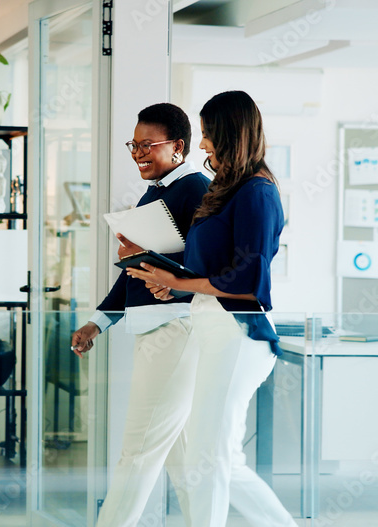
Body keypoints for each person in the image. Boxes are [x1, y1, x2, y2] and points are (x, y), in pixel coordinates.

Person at [126, 90, 297, 527]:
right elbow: (208, 269)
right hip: (214, 330)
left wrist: (178, 281)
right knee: (220, 457)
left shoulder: (259, 193)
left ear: (232, 135)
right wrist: (174, 286)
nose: (203, 145)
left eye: (208, 135)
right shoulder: (229, 189)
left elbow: (246, 281)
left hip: (240, 335)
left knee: (208, 455)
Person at [70, 102, 209, 526]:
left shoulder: (195, 189)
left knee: (139, 447)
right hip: (158, 330)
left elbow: (204, 268)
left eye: (148, 145)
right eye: (134, 145)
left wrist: (149, 260)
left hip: (177, 329)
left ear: (178, 147)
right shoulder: (159, 190)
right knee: (180, 458)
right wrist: (99, 320)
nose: (138, 154)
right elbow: (139, 271)